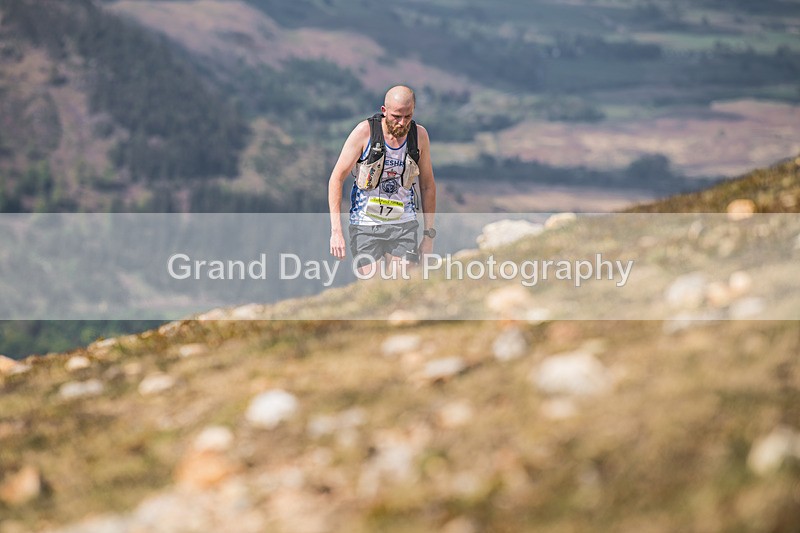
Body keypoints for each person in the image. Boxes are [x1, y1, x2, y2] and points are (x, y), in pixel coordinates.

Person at [328, 85, 437, 276]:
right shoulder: (364, 132)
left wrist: (429, 235)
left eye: (408, 116)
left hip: (404, 223)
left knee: (401, 285)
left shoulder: (419, 136)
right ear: (384, 111)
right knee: (373, 287)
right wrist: (336, 232)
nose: (402, 123)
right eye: (396, 116)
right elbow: (336, 179)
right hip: (365, 224)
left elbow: (427, 185)